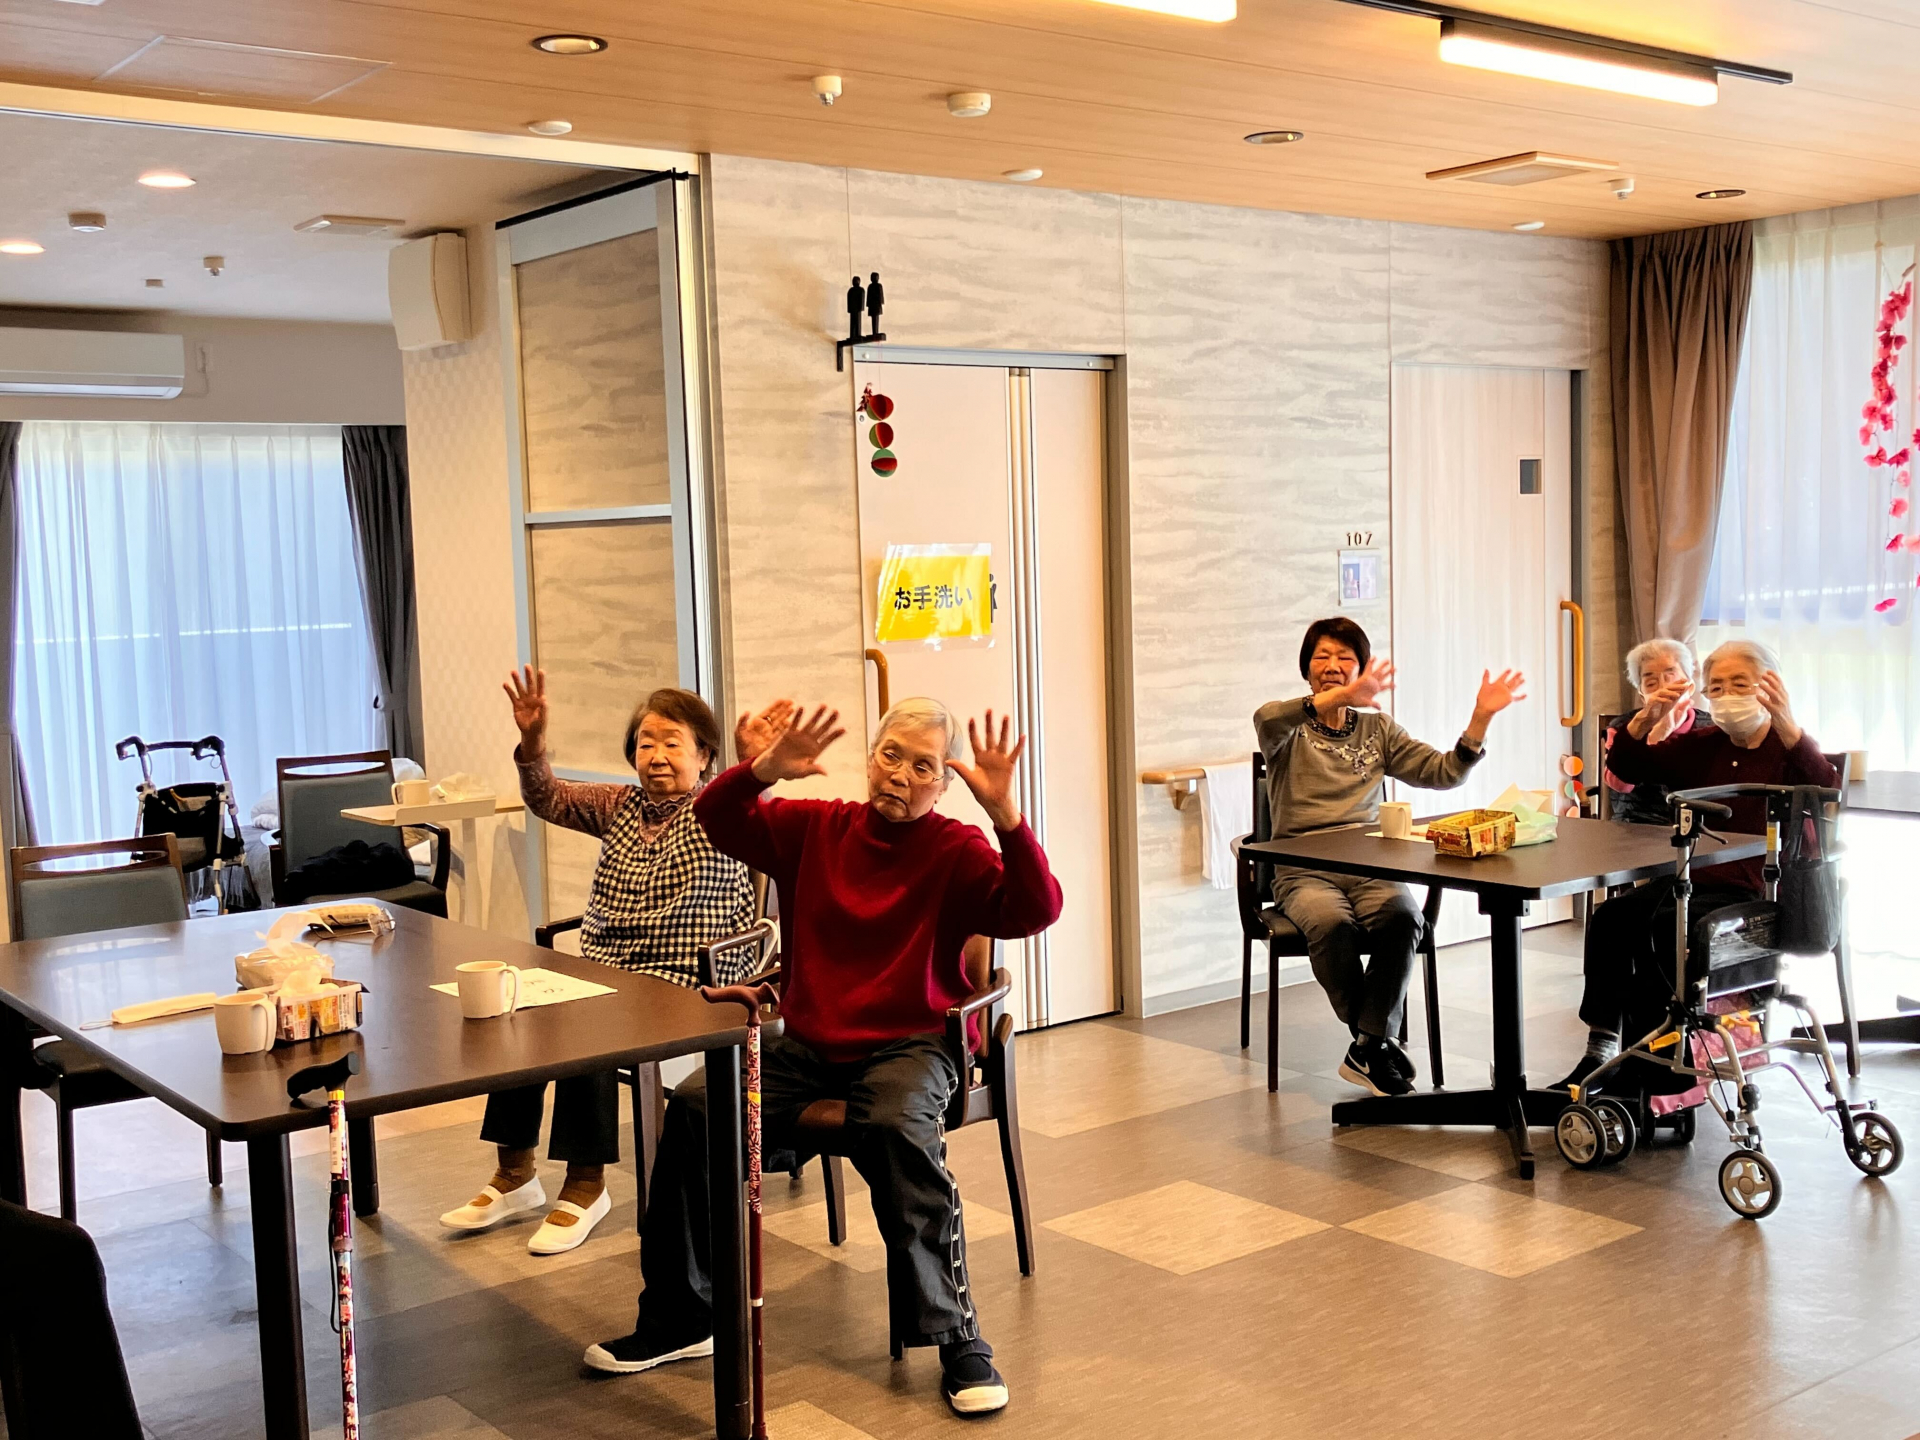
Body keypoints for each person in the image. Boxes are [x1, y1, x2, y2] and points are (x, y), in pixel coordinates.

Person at [583, 697, 1062, 1418]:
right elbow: (717, 818)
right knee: (696, 1108)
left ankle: (956, 1335)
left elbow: (1035, 909)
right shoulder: (818, 828)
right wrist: (760, 771)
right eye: (891, 755)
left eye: (923, 766)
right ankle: (682, 1317)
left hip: (911, 1043)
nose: (900, 774)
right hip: (808, 1043)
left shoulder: (957, 848)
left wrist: (1007, 819)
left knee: (896, 1127)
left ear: (943, 784)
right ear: (870, 757)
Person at [438, 669, 754, 1255]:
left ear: (705, 755)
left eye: (672, 743)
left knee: (591, 1025)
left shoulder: (721, 808)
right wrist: (532, 741)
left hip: (689, 980)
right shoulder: (621, 805)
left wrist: (758, 763)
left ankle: (586, 1185)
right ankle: (515, 1174)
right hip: (610, 970)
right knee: (520, 1010)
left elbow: (756, 802)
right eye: (645, 743)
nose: (656, 756)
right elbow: (548, 798)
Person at [1254, 617, 1526, 1097]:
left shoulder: (1376, 729)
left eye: (1345, 658)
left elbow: (1443, 772)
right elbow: (1266, 717)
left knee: (1404, 918)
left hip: (1372, 867)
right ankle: (1375, 1042)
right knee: (1331, 925)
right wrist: (1345, 695)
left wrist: (1479, 720)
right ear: (1306, 667)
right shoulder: (1285, 728)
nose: (1332, 666)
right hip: (1304, 872)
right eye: (1322, 657)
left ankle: (1368, 1045)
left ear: (1360, 667)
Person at [1557, 639, 1838, 1089]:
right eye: (1717, 687)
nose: (1727, 696)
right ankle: (1602, 1046)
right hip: (1696, 880)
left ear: (1770, 686)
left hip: (1758, 891)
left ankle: (1658, 1069)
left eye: (1740, 684)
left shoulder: (1788, 747)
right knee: (1613, 916)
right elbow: (1629, 768)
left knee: (1665, 928)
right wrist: (1646, 718)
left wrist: (1787, 724)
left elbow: (1824, 788)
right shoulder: (1705, 745)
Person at [1604, 639, 1709, 825]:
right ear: (1642, 695)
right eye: (1651, 682)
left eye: (1671, 677)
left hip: (1697, 826)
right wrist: (1656, 736)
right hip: (1635, 827)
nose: (1662, 688)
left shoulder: (1711, 728)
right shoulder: (1624, 728)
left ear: (1690, 687)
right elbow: (1619, 785)